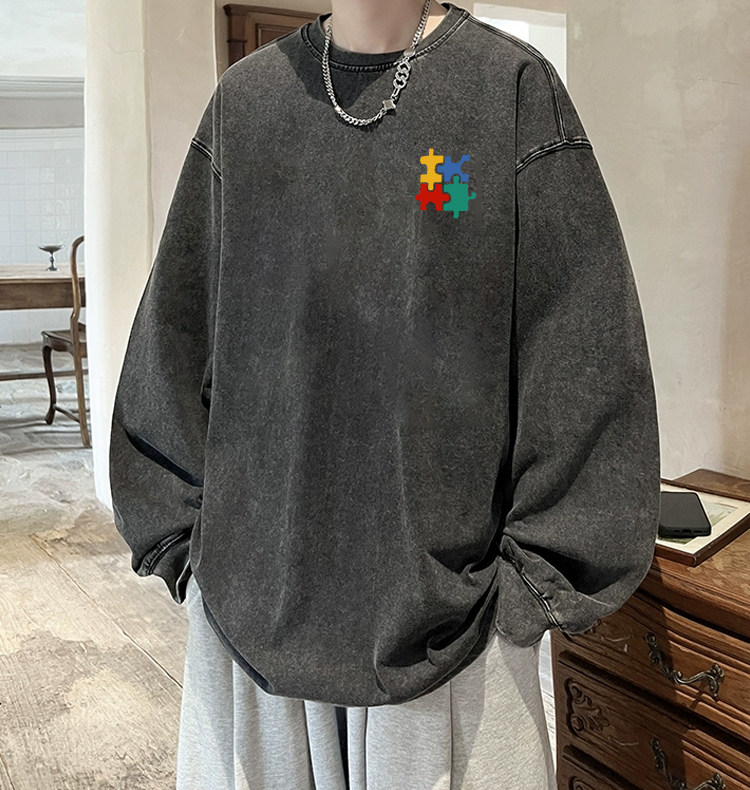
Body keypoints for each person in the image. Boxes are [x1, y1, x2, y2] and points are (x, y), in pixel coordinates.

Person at [108, 1, 661, 788]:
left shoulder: (505, 90)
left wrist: (536, 580)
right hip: (251, 610)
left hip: (449, 622)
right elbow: (175, 334)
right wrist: (184, 546)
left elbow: (582, 345)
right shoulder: (247, 105)